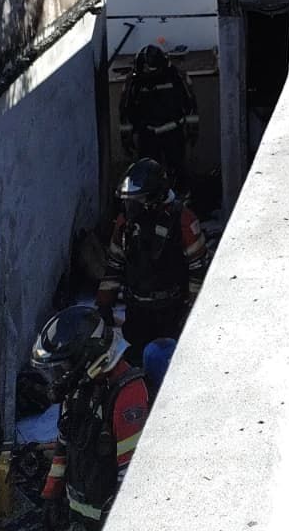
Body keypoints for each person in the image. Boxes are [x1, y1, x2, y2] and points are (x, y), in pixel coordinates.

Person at [33, 306, 149, 529]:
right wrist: (51, 495)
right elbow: (63, 446)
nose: (59, 378)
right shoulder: (80, 387)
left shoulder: (127, 394)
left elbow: (132, 473)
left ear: (87, 357)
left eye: (62, 367)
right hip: (77, 516)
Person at [97, 159, 208, 353]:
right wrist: (104, 305)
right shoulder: (125, 224)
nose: (130, 207)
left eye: (136, 201)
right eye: (128, 201)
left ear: (154, 197)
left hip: (171, 311)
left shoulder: (184, 221)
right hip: (136, 311)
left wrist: (192, 313)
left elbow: (198, 271)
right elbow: (114, 265)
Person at [118, 45, 198, 194]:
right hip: (147, 135)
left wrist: (192, 130)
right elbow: (125, 111)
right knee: (147, 174)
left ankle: (181, 200)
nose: (149, 74)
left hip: (173, 133)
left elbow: (190, 104)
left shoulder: (176, 76)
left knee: (178, 170)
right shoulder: (134, 81)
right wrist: (126, 138)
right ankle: (152, 204)